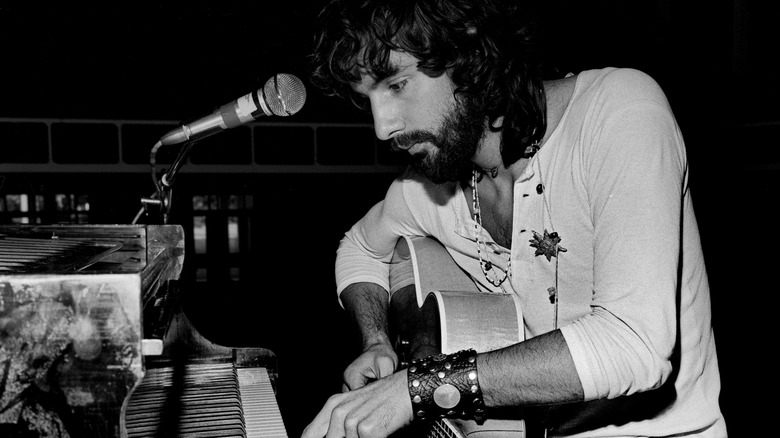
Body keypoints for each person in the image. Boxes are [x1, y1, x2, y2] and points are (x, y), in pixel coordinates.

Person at [303, 0, 726, 436]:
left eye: (396, 84)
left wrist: (418, 390)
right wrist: (377, 341)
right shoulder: (432, 187)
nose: (382, 128)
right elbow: (360, 249)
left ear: (469, 54)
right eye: (366, 98)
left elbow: (635, 344)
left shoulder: (619, 112)